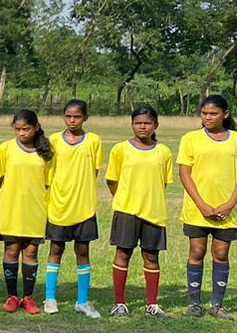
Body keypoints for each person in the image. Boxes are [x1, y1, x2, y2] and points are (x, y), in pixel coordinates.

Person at [177, 94, 237, 320]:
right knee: (197, 252)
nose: (208, 117)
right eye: (204, 113)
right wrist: (202, 205)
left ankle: (217, 305)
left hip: (227, 211)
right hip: (197, 210)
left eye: (213, 113)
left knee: (221, 253)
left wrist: (230, 204)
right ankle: (195, 303)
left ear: (225, 114)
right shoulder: (190, 139)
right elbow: (184, 173)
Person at [106, 106, 172, 318]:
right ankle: (119, 303)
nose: (142, 126)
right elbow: (112, 180)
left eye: (147, 123)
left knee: (151, 256)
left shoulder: (163, 151)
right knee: (123, 253)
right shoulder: (120, 149)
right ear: (132, 124)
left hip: (153, 211)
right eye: (138, 123)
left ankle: (152, 304)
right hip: (127, 211)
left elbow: (163, 183)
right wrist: (126, 199)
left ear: (155, 125)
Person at [42, 99, 103, 318]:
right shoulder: (55, 140)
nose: (72, 120)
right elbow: (48, 174)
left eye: (77, 116)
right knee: (55, 250)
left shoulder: (93, 141)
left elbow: (93, 171)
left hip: (84, 207)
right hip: (59, 205)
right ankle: (50, 298)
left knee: (83, 251)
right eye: (68, 116)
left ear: (85, 117)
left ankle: (83, 301)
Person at [0, 109, 53, 314]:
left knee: (31, 252)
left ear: (36, 128)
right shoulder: (5, 149)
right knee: (11, 250)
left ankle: (28, 297)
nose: (21, 133)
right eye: (17, 129)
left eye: (26, 129)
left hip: (35, 209)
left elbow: (47, 183)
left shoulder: (44, 151)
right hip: (11, 208)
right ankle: (11, 297)